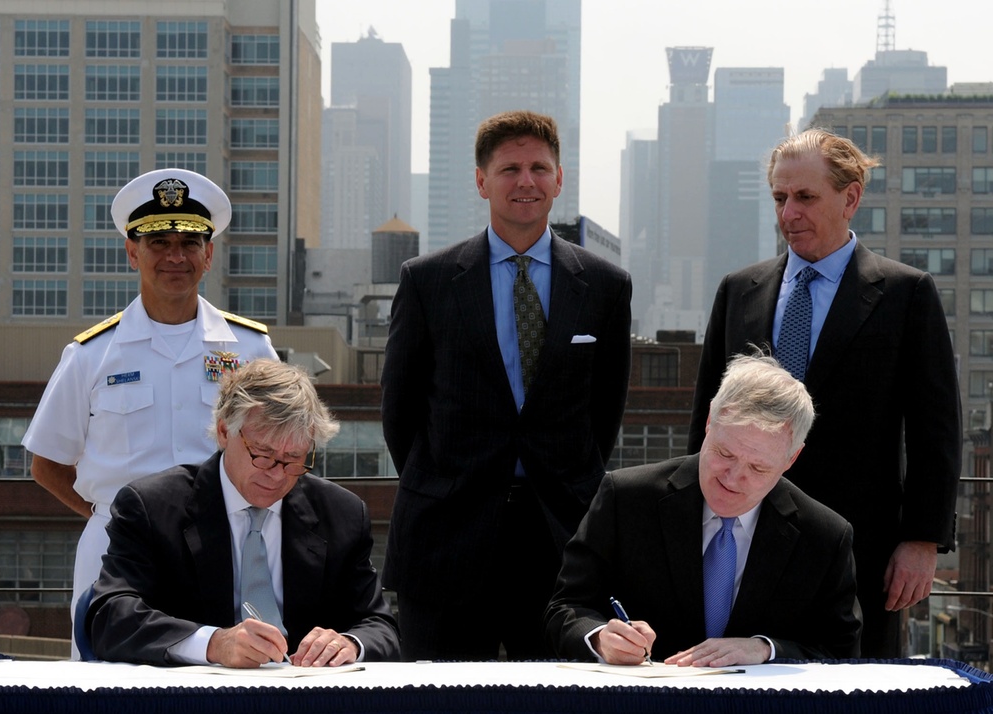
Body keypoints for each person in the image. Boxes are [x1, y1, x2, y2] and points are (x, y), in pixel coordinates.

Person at [688, 129, 962, 659]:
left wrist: (923, 541)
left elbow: (937, 431)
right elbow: (705, 417)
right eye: (779, 198)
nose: (789, 212)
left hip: (862, 551)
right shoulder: (737, 290)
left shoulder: (906, 294)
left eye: (805, 197)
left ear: (851, 197)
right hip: (740, 539)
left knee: (852, 688)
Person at [381, 110, 632, 660]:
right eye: (509, 169)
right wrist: (447, 480)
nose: (526, 181)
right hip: (447, 535)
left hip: (559, 540)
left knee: (556, 704)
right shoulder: (427, 281)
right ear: (480, 181)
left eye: (540, 168)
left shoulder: (605, 287)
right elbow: (399, 412)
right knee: (438, 703)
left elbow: (604, 412)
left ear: (559, 179)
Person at [21, 168, 279, 653]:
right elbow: (47, 463)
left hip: (222, 549)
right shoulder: (92, 354)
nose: (175, 256)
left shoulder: (250, 348)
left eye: (189, 243)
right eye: (159, 242)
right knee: (106, 689)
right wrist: (112, 516)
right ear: (132, 251)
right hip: (116, 554)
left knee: (226, 682)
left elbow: (284, 451)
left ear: (209, 255)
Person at [546, 353, 861, 666]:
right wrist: (601, 638)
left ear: (791, 459)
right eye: (725, 453)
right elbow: (567, 607)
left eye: (757, 468)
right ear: (710, 421)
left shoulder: (825, 536)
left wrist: (767, 650)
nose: (733, 478)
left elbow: (841, 652)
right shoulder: (625, 498)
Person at [86, 359, 399, 667]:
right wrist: (212, 643)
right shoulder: (151, 507)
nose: (277, 475)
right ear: (224, 432)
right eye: (262, 455)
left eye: (293, 458)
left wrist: (348, 644)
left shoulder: (342, 514)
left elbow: (380, 625)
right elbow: (110, 615)